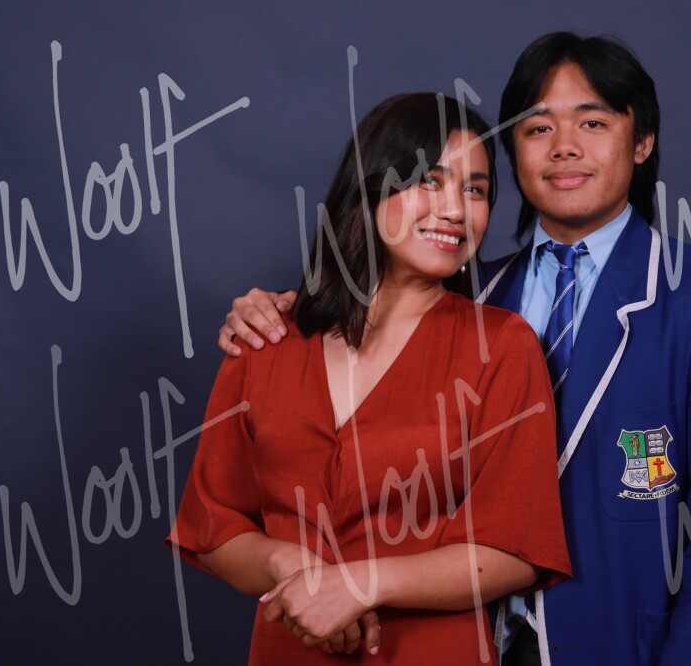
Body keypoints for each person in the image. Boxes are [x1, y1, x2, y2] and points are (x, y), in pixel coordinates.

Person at [218, 33, 691, 666]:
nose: (564, 146)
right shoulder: (461, 292)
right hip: (452, 640)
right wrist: (279, 314)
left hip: (617, 644)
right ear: (513, 150)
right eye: (538, 128)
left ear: (642, 140)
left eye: (593, 122)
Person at [168, 92, 571, 666]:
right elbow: (211, 528)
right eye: (430, 181)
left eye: (476, 190)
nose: (455, 210)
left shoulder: (502, 346)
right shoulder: (266, 338)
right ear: (370, 187)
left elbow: (516, 549)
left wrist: (359, 585)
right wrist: (290, 566)